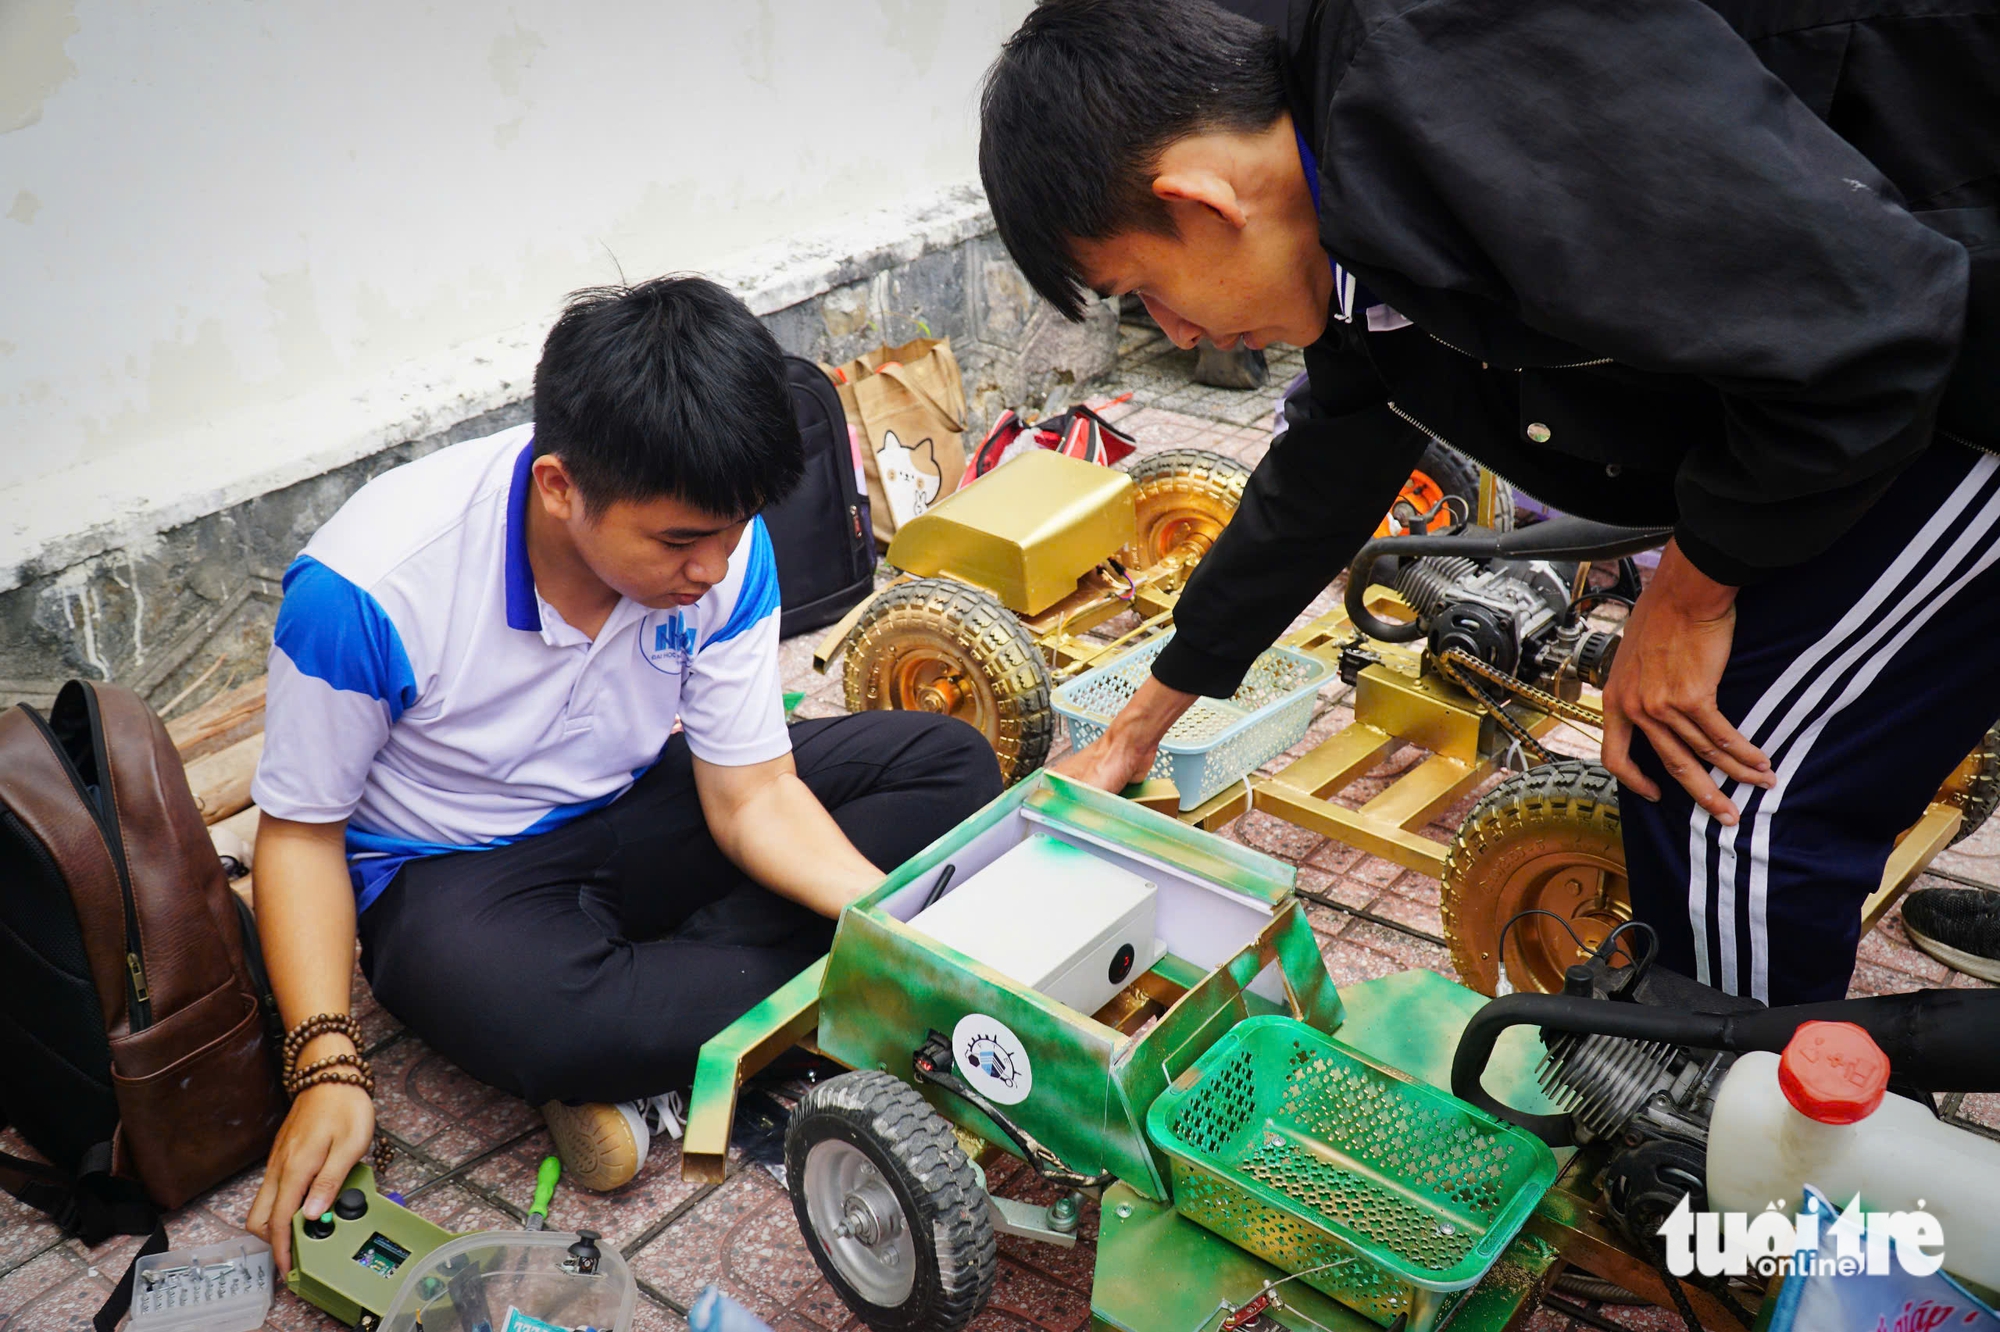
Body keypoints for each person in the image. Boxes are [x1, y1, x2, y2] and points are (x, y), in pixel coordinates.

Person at [978, 0, 1999, 1002]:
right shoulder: (1318, 141)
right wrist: (1141, 723)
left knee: (1725, 796)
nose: (1179, 333)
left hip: (1946, 367)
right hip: (1871, 342)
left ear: (1201, 202)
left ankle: (1745, 1138)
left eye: (1144, 293)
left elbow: (1873, 340)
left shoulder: (1463, 83)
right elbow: (1335, 449)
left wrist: (1686, 596)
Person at [242, 276, 1000, 1270]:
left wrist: (890, 927)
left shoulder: (721, 548)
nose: (712, 567)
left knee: (949, 768)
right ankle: (686, 1007)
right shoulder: (369, 590)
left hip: (642, 800)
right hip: (457, 873)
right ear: (560, 488)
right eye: (680, 541)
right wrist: (324, 1064)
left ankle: (664, 1042)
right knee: (544, 1018)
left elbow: (753, 795)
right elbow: (298, 834)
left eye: (731, 535)